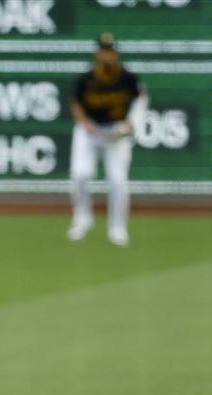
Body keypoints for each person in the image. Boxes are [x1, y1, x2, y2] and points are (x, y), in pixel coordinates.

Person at [67, 32, 148, 247]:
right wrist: (84, 122)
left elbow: (141, 98)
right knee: (80, 175)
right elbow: (75, 103)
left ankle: (118, 228)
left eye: (110, 50)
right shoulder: (87, 78)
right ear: (97, 52)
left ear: (116, 53)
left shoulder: (126, 77)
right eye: (104, 50)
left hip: (116, 133)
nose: (107, 54)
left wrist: (132, 123)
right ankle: (82, 219)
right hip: (90, 131)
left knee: (118, 181)